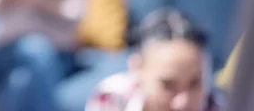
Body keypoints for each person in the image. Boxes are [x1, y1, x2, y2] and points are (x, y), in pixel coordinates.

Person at [87, 9, 224, 111]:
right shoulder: (112, 97)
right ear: (136, 69)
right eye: (167, 85)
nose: (182, 103)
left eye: (195, 83)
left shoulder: (217, 105)